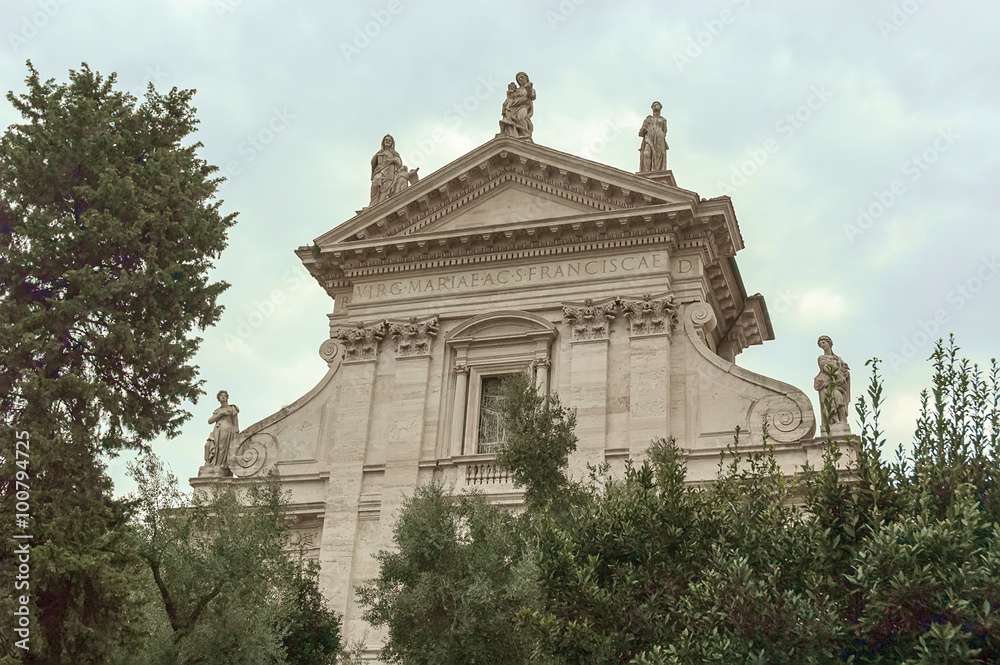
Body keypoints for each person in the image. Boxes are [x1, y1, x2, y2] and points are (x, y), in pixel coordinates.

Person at [813, 336, 850, 426]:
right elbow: (824, 367)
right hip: (825, 383)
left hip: (837, 384)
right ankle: (833, 421)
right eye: (820, 344)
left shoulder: (838, 358)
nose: (822, 345)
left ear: (829, 343)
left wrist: (845, 373)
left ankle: (843, 421)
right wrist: (835, 373)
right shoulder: (821, 358)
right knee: (828, 402)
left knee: (839, 398)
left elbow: (844, 368)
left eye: (823, 343)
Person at [205, 390, 240, 474]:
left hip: (226, 429)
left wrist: (236, 434)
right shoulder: (218, 410)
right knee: (208, 445)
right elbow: (210, 421)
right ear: (218, 398)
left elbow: (235, 422)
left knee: (222, 446)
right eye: (221, 395)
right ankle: (210, 462)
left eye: (224, 395)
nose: (223, 396)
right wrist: (221, 414)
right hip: (217, 430)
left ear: (227, 397)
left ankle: (218, 465)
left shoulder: (232, 408)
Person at [498, 72, 535, 140]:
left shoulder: (529, 88)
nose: (520, 79)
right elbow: (510, 98)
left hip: (523, 105)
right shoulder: (516, 90)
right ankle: (513, 134)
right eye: (518, 79)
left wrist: (528, 89)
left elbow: (532, 97)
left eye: (522, 77)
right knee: (509, 120)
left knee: (520, 118)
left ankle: (524, 135)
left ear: (526, 78)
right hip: (513, 106)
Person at [370, 134, 402, 205]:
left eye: (389, 140)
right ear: (383, 142)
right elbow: (373, 163)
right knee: (375, 182)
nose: (387, 141)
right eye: (386, 140)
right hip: (379, 170)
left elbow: (399, 162)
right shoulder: (379, 153)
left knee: (386, 185)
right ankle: (373, 203)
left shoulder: (394, 153)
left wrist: (392, 160)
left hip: (389, 172)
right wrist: (377, 156)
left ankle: (383, 200)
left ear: (392, 143)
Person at [638, 101, 668, 172]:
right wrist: (643, 130)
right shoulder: (648, 119)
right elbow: (640, 133)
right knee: (646, 153)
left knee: (658, 156)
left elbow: (665, 131)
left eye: (657, 104)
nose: (655, 106)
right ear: (652, 108)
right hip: (648, 138)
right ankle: (646, 172)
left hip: (659, 140)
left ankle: (656, 172)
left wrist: (660, 135)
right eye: (654, 105)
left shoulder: (663, 120)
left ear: (660, 108)